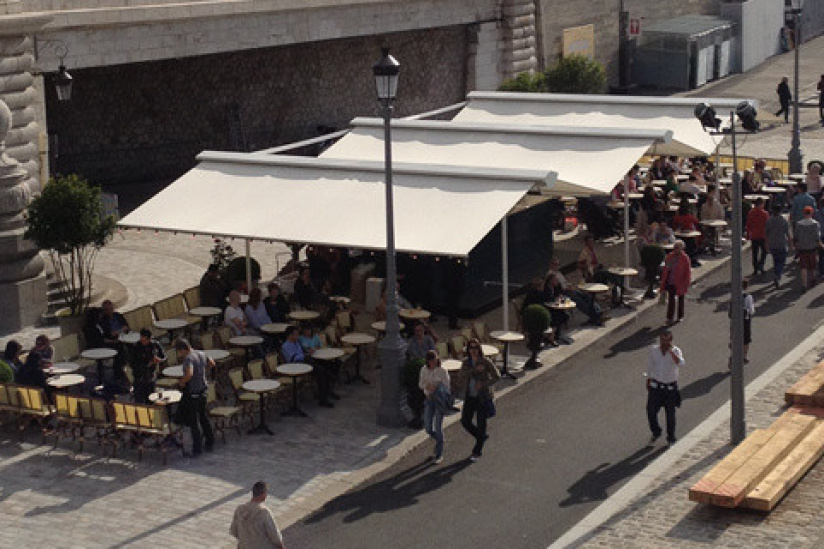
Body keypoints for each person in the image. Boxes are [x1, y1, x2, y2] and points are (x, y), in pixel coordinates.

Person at [458, 338, 500, 462]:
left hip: (482, 397)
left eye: (475, 347)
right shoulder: (466, 363)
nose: (473, 350)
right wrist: (474, 370)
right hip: (470, 396)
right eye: (471, 348)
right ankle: (480, 437)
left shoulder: (485, 362)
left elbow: (496, 376)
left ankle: (477, 451)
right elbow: (462, 375)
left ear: (479, 349)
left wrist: (484, 384)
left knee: (482, 423)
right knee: (465, 421)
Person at [175, 339, 215, 456]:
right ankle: (210, 441)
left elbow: (189, 374)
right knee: (203, 417)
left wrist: (182, 382)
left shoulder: (189, 359)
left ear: (183, 350)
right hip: (203, 390)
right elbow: (212, 363)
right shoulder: (201, 353)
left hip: (194, 393)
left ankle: (197, 448)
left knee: (193, 421)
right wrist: (202, 372)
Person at [646, 330, 684, 445]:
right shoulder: (654, 351)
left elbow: (681, 363)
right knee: (651, 411)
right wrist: (648, 380)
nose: (665, 343)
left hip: (670, 388)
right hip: (656, 386)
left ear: (671, 340)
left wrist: (671, 352)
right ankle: (656, 431)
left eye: (667, 340)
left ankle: (671, 437)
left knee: (670, 415)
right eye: (663, 340)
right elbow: (650, 366)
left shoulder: (676, 351)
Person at [546, 258, 607, 326]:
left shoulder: (558, 273)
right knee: (579, 301)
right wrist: (566, 288)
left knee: (587, 296)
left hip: (569, 289)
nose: (557, 266)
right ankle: (595, 316)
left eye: (558, 264)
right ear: (551, 265)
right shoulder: (551, 274)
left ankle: (599, 312)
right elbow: (556, 287)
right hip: (563, 292)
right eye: (555, 264)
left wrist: (570, 285)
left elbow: (565, 282)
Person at [230, 481, 285, 549]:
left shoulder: (239, 510)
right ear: (263, 494)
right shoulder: (264, 512)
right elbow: (275, 536)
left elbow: (234, 531)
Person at [419, 349, 450, 463]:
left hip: (439, 401)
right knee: (428, 427)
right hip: (429, 399)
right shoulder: (424, 369)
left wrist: (436, 388)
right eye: (430, 361)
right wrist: (426, 386)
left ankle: (439, 454)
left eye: (434, 361)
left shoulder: (442, 371)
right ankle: (439, 440)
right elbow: (420, 383)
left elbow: (447, 387)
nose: (432, 363)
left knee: (438, 426)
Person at [659, 240, 691, 325]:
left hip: (681, 281)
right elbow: (666, 268)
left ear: (681, 248)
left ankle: (680, 316)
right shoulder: (670, 256)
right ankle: (670, 318)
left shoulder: (685, 258)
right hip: (671, 280)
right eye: (674, 247)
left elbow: (687, 271)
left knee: (681, 298)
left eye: (677, 247)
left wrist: (687, 281)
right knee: (671, 299)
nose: (675, 249)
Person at [131, 328, 165, 404]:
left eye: (145, 339)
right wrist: (147, 364)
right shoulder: (136, 347)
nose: (143, 341)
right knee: (139, 401)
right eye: (141, 338)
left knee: (150, 399)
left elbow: (163, 357)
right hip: (139, 377)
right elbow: (132, 363)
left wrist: (159, 360)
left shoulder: (155, 345)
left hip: (151, 376)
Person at [794, 206, 821, 291]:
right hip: (812, 248)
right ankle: (813, 279)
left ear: (804, 213)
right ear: (812, 213)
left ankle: (804, 285)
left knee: (803, 267)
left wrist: (796, 246)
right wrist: (820, 245)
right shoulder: (815, 223)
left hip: (802, 248)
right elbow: (817, 237)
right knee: (813, 266)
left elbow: (796, 236)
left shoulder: (799, 224)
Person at [766, 203, 792, 289]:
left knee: (775, 260)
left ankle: (776, 273)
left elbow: (766, 233)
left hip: (772, 243)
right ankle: (778, 275)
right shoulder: (784, 221)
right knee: (782, 262)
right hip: (782, 243)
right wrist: (791, 245)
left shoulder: (769, 221)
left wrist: (766, 244)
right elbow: (788, 234)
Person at [746, 197, 769, 276]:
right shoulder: (765, 214)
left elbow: (748, 224)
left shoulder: (751, 213)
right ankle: (761, 265)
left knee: (755, 253)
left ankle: (755, 268)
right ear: (761, 204)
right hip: (762, 235)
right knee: (764, 251)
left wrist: (748, 234)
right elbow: (767, 225)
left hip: (754, 235)